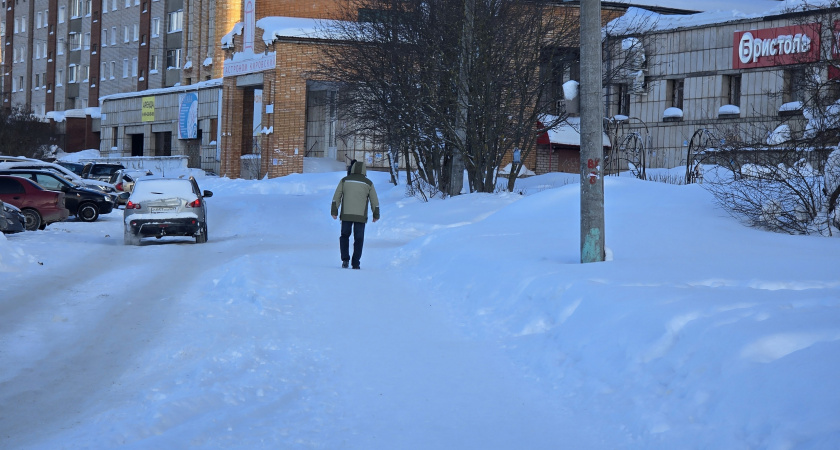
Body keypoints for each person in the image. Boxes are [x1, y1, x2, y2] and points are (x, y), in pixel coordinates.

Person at [331, 160, 380, 269]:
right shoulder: (368, 183)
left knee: (344, 236)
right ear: (364, 170)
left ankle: (345, 260)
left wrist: (334, 211)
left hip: (346, 215)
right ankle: (356, 262)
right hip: (360, 216)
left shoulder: (344, 181)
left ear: (352, 169)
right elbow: (374, 201)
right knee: (359, 238)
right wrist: (376, 214)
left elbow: (336, 197)